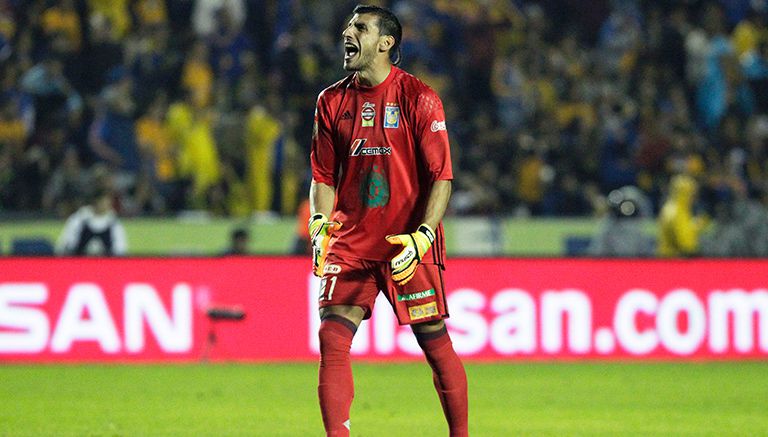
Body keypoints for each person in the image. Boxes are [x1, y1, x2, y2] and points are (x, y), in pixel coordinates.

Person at [308, 5, 467, 436]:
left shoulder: (419, 97)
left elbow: (442, 178)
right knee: (332, 338)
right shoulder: (332, 100)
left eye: (359, 27)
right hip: (352, 239)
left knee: (434, 342)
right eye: (347, 25)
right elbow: (323, 175)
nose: (347, 31)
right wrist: (320, 223)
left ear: (385, 42)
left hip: (406, 241)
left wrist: (423, 236)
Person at [55, 187, 127, 256]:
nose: (107, 204)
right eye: (104, 201)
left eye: (108, 201)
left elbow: (120, 249)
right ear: (96, 201)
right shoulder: (79, 218)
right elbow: (66, 243)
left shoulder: (114, 223)